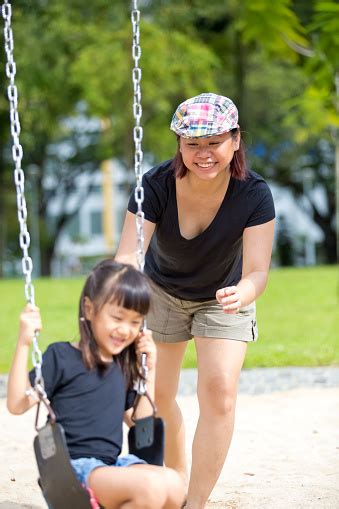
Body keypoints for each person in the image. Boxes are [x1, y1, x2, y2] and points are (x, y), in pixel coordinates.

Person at [115, 93, 275, 509]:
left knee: (220, 391)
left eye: (214, 142)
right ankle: (176, 481)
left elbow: (257, 270)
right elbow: (127, 257)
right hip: (161, 293)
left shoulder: (254, 195)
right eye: (193, 144)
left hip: (224, 297)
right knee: (154, 398)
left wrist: (244, 291)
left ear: (236, 140)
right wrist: (120, 303)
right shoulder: (155, 185)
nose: (203, 154)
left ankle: (196, 503)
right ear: (179, 145)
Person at [7, 259, 185, 509]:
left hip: (112, 467)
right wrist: (24, 343)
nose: (125, 330)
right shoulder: (61, 358)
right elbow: (16, 403)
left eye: (135, 322)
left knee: (175, 485)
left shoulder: (123, 366)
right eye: (118, 317)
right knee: (150, 487)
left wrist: (150, 370)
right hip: (72, 472)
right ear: (89, 309)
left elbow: (140, 422)